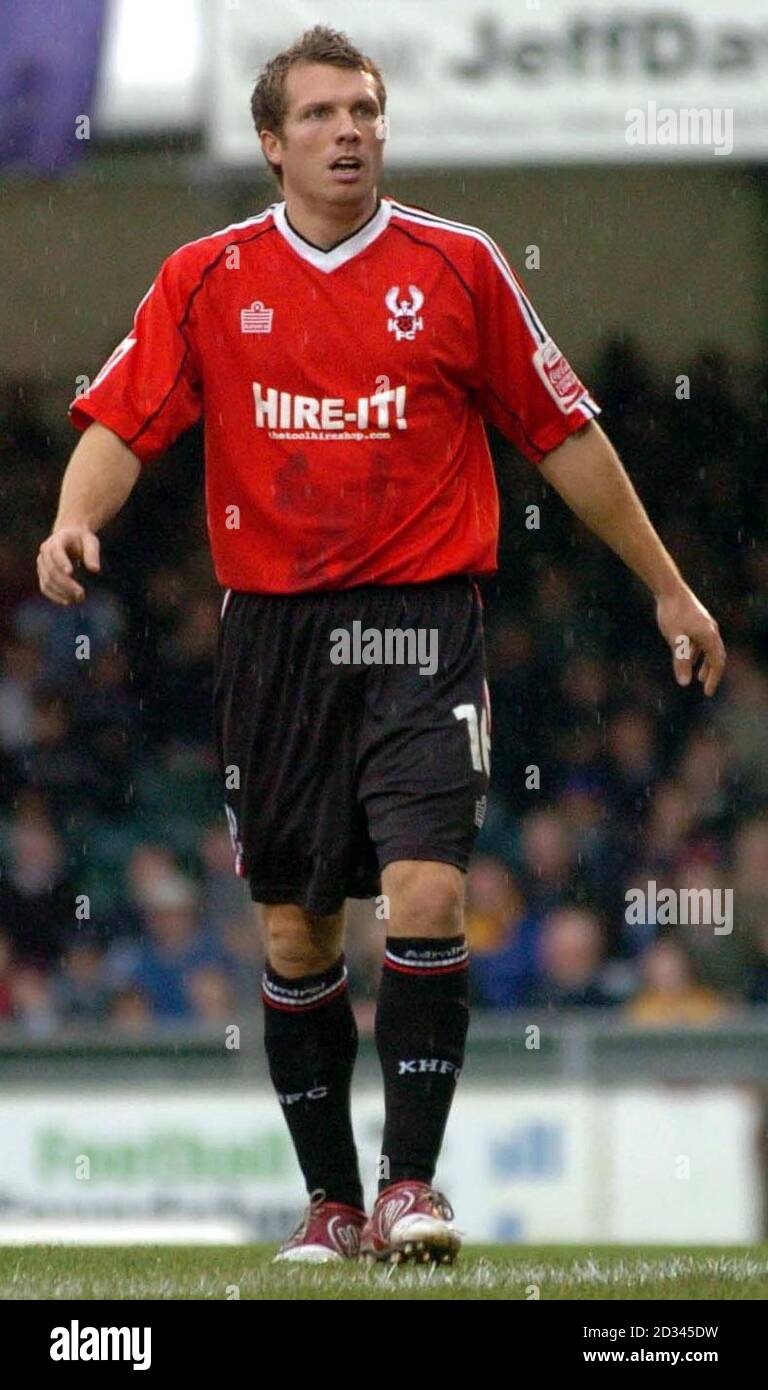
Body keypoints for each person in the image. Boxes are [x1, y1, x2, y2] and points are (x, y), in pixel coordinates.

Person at [36, 25, 726, 1266]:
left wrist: (669, 588)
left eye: (365, 110)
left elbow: (564, 435)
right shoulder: (205, 275)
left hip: (422, 622)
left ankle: (411, 1186)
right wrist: (73, 521)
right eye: (320, 114)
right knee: (296, 931)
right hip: (273, 639)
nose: (350, 130)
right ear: (271, 143)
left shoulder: (459, 267)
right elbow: (121, 415)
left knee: (429, 889)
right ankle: (332, 1204)